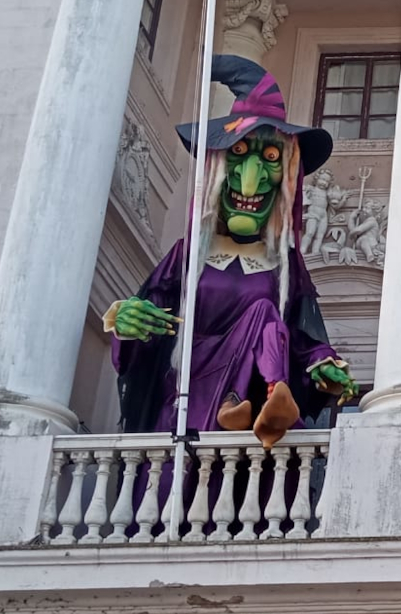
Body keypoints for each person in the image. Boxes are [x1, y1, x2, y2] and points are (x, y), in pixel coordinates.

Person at [106, 56, 358, 449]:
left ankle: (255, 398)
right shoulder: (185, 257)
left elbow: (302, 341)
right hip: (185, 403)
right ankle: (238, 402)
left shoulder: (285, 267)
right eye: (239, 153)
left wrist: (324, 365)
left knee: (265, 315)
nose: (252, 179)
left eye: (271, 159)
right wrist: (128, 321)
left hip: (250, 433)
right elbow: (146, 337)